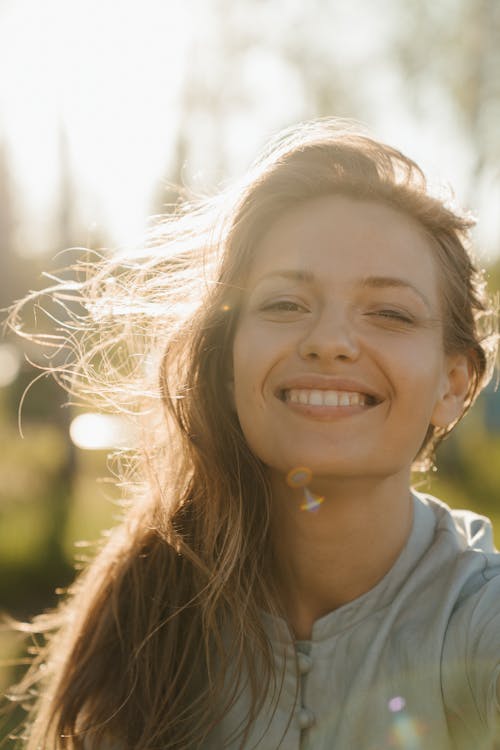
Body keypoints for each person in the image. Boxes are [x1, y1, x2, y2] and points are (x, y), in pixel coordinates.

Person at [5, 118, 500, 749]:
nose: (328, 341)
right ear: (228, 357)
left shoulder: (483, 623)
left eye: (389, 313)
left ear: (454, 382)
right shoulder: (146, 611)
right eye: (285, 304)